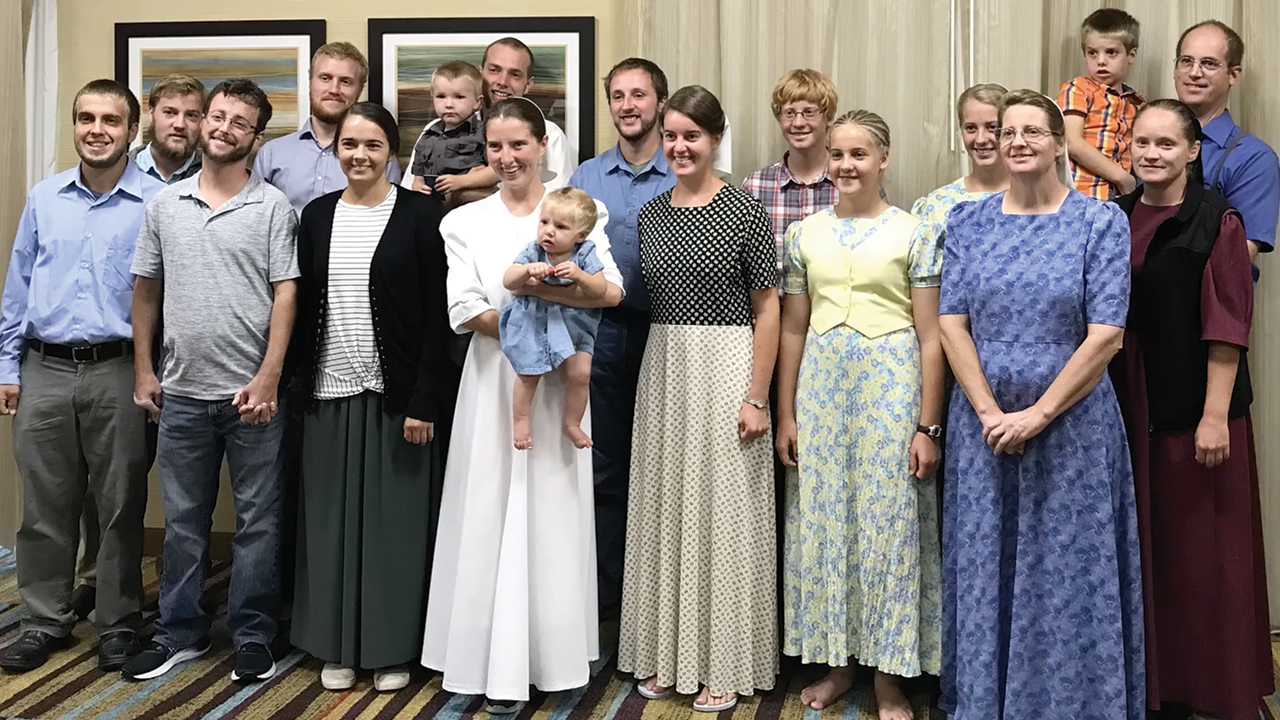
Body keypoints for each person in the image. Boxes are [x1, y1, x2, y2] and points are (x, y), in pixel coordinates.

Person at [937, 89, 1144, 720]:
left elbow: (1106, 333)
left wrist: (1038, 414)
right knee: (984, 565)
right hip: (983, 427)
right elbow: (951, 323)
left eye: (1034, 130)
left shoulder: (1100, 221)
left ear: (1060, 144)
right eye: (1008, 131)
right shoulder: (967, 221)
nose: (1019, 141)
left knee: (1066, 572)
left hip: (1074, 425)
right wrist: (989, 412)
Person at [421, 97, 623, 714]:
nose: (506, 158)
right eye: (494, 147)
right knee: (486, 508)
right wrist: (533, 312)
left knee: (553, 512)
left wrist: (552, 301)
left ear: (541, 145)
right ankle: (484, 658)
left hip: (561, 385)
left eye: (517, 145)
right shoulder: (462, 223)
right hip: (494, 386)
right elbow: (465, 311)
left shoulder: (578, 211)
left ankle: (553, 655)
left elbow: (608, 292)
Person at [122, 78, 299, 684]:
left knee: (258, 523)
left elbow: (285, 295)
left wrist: (269, 377)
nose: (223, 128)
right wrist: (144, 369)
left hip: (252, 397)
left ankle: (253, 635)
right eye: (217, 116)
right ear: (202, 123)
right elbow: (146, 290)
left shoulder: (273, 207)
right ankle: (180, 633)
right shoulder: (164, 207)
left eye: (239, 122)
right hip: (181, 394)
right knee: (184, 521)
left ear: (255, 136)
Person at [775, 109, 944, 718]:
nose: (847, 166)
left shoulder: (916, 232)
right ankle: (839, 663)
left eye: (859, 155)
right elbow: (792, 330)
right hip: (821, 389)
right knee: (826, 523)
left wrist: (928, 425)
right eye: (838, 155)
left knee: (890, 527)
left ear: (883, 159)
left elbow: (932, 336)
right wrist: (786, 412)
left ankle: (890, 678)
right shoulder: (801, 235)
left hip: (891, 388)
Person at [619, 85, 779, 713]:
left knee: (724, 517)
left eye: (693, 136)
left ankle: (726, 662)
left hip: (729, 365)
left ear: (716, 140)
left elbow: (769, 310)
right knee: (667, 512)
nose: (680, 146)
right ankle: (667, 653)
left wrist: (757, 396)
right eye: (672, 135)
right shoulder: (653, 212)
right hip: (664, 367)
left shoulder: (745, 210)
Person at [1111, 99, 1272, 720]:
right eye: (1142, 143)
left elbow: (1229, 325)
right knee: (1151, 550)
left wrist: (1214, 415)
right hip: (1130, 403)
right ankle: (1157, 687)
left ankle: (1219, 688)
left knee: (1205, 555)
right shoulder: (1115, 215)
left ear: (1193, 151)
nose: (1151, 155)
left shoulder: (1217, 220)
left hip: (1199, 410)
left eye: (1166, 145)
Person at [288, 102, 452, 694]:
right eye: (350, 144)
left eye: (373, 145)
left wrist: (425, 401)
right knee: (328, 525)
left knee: (395, 529)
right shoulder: (315, 215)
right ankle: (336, 645)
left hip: (398, 398)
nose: (359, 155)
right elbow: (303, 304)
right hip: (328, 392)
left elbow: (440, 318)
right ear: (338, 150)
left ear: (393, 152)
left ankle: (390, 648)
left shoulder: (420, 215)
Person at [0, 79, 164, 674]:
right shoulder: (45, 198)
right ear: (74, 126)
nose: (96, 129)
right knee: (44, 503)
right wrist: (5, 367)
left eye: (110, 120)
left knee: (120, 503)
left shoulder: (155, 204)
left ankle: (117, 622)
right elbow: (18, 286)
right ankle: (44, 619)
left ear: (131, 131)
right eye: (85, 118)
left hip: (120, 369)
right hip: (41, 367)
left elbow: (164, 296)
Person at [567, 57, 675, 623]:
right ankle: (610, 606)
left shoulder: (684, 168)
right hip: (601, 337)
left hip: (672, 337)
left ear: (659, 101)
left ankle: (660, 604)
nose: (627, 105)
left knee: (667, 469)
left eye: (639, 94)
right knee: (604, 468)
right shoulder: (584, 178)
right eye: (618, 96)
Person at [500, 187, 606, 450]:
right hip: (537, 325)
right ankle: (521, 420)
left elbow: (600, 290)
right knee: (529, 372)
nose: (548, 231)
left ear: (580, 236)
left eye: (560, 226)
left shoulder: (585, 253)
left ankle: (572, 423)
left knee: (581, 374)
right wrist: (526, 270)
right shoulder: (534, 251)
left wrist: (580, 275)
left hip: (577, 326)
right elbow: (508, 280)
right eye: (544, 222)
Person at [403, 37, 577, 195]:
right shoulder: (438, 129)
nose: (502, 81)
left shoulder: (549, 133)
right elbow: (411, 189)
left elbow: (559, 200)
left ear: (528, 85)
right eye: (494, 70)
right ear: (481, 73)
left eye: (515, 74)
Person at [1174, 20, 1279, 267]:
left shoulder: (1254, 159)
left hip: (1202, 302)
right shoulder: (1144, 141)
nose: (1194, 72)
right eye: (1186, 61)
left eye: (1209, 63)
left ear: (1234, 75)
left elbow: (1237, 262)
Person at [255, 41, 402, 216]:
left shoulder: (379, 158)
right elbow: (257, 220)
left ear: (360, 89)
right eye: (325, 78)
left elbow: (391, 219)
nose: (334, 89)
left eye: (346, 81)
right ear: (310, 82)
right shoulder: (271, 154)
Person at [741, 69, 840, 283]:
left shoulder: (849, 183)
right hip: (772, 312)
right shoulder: (755, 187)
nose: (798, 123)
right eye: (789, 113)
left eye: (809, 112)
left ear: (828, 117)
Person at [1056, 8, 1144, 200]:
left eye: (1111, 52)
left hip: (1123, 198)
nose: (1101, 61)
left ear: (1131, 56)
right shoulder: (1078, 89)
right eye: (1092, 53)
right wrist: (1121, 177)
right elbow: (1071, 142)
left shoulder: (1139, 104)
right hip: (1083, 194)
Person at [912, 83, 1010, 223]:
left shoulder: (1032, 198)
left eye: (992, 127)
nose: (980, 139)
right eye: (970, 128)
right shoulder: (938, 204)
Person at [407, 61, 487, 204]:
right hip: (434, 206)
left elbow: (497, 172)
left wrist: (462, 181)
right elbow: (418, 175)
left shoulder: (484, 133)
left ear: (477, 102)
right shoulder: (427, 136)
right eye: (441, 96)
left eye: (459, 97)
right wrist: (418, 186)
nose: (449, 104)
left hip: (470, 206)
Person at [130, 74, 206, 184]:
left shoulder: (215, 176)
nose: (180, 125)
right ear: (151, 113)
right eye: (169, 112)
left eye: (191, 115)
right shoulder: (121, 172)